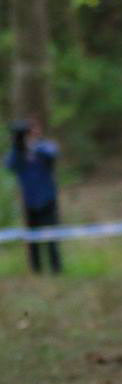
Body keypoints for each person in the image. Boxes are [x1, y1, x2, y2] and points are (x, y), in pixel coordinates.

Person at [5, 117, 63, 275]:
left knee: (51, 236)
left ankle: (56, 269)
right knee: (32, 239)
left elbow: (53, 152)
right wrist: (18, 146)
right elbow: (9, 165)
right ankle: (36, 271)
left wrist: (34, 145)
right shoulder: (18, 152)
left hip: (47, 199)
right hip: (29, 202)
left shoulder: (45, 146)